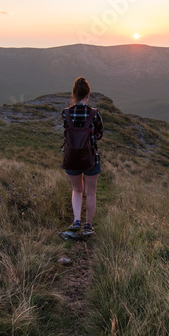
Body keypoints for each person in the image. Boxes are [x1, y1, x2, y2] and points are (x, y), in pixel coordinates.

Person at [62, 77, 103, 235]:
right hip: (91, 158)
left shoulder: (66, 113)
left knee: (77, 190)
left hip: (71, 157)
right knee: (91, 192)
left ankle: (76, 221)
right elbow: (99, 134)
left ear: (73, 94)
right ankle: (88, 226)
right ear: (88, 94)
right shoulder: (94, 113)